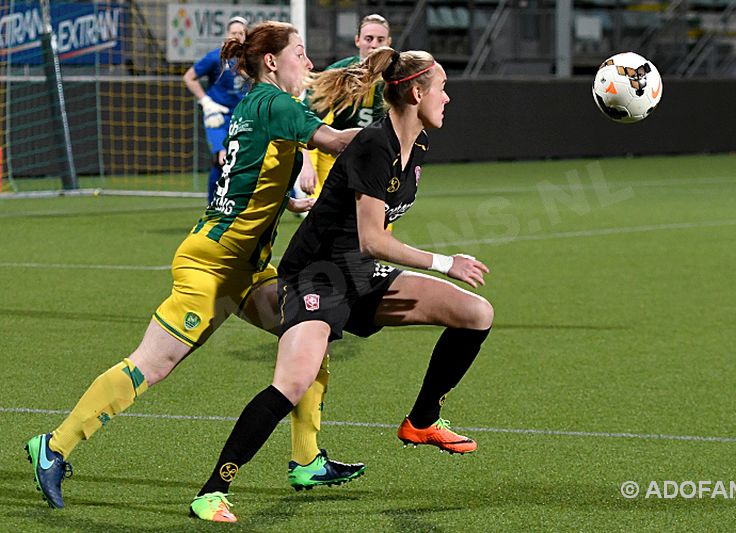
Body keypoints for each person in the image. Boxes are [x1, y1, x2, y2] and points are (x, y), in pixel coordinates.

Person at [25, 21, 366, 513]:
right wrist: (394, 133)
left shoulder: (258, 105)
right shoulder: (274, 102)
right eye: (300, 53)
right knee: (152, 365)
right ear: (272, 62)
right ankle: (53, 447)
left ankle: (307, 459)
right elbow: (336, 143)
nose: (308, 64)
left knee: (309, 334)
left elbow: (252, 173)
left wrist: (286, 203)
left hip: (246, 268)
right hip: (211, 266)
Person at [190, 46, 494, 523]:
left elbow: (370, 245)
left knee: (476, 314)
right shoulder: (377, 144)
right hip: (317, 276)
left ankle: (422, 421)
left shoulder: (416, 148)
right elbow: (373, 239)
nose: (448, 98)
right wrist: (443, 262)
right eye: (442, 88)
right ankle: (212, 490)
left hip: (359, 275)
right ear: (416, 92)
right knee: (291, 383)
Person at [297, 13, 392, 198]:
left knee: (378, 223)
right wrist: (305, 164)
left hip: (377, 161)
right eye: (368, 38)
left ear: (389, 42)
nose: (373, 45)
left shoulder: (397, 77)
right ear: (357, 40)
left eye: (380, 39)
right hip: (337, 159)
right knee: (328, 219)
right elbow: (303, 114)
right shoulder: (340, 73)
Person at [183, 16, 248, 204]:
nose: (237, 36)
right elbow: (189, 77)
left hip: (243, 118)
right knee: (222, 158)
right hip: (218, 117)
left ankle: (293, 198)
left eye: (241, 33)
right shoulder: (215, 57)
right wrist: (206, 102)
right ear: (227, 35)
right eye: (233, 33)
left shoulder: (250, 59)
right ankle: (213, 205)